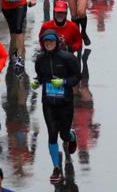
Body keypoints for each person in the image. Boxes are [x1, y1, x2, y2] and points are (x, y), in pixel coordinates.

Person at [33, 29, 82, 184]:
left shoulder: (67, 58)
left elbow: (77, 77)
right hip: (48, 103)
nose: (49, 44)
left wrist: (64, 82)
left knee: (64, 135)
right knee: (52, 134)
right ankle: (56, 168)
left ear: (56, 42)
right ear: (43, 43)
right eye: (46, 42)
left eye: (51, 41)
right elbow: (40, 76)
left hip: (65, 103)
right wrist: (36, 82)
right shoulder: (40, 59)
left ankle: (71, 136)